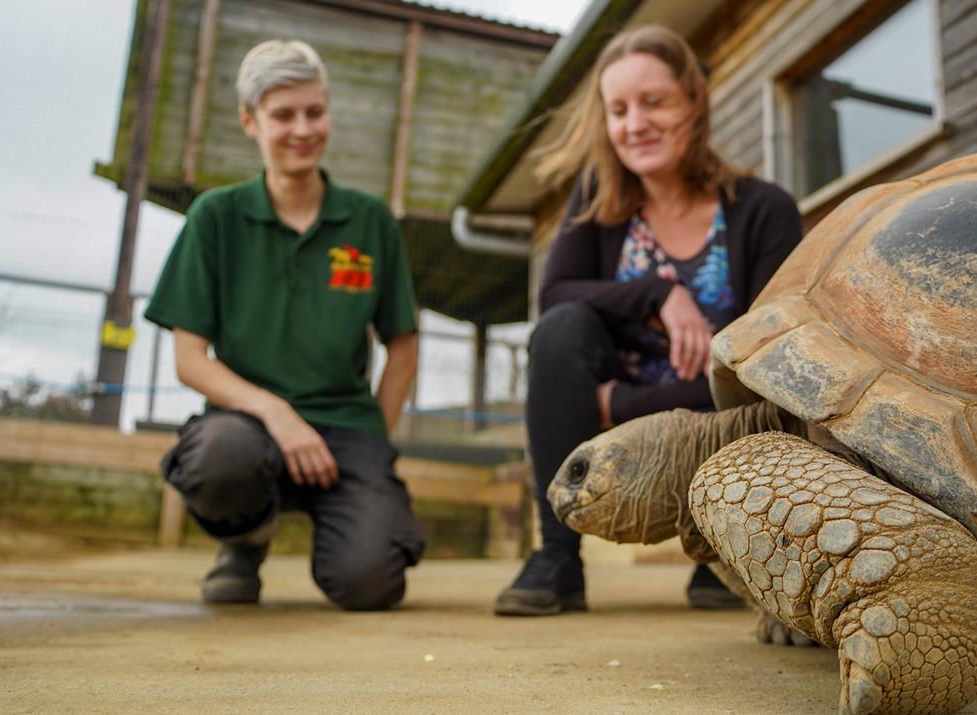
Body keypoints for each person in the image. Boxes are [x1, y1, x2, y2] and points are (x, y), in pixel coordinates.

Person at [492, 25, 803, 616]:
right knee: (560, 332)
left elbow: (770, 368)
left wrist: (618, 405)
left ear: (694, 102)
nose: (635, 123)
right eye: (619, 109)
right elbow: (554, 295)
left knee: (762, 378)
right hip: (612, 434)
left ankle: (729, 544)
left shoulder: (764, 211)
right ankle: (557, 557)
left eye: (654, 102)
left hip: (718, 424)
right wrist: (657, 293)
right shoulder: (595, 200)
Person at [145, 40, 424, 610]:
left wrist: (377, 437)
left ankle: (357, 517)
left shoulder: (370, 221)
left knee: (370, 585)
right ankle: (246, 541)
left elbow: (402, 343)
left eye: (314, 112)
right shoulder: (215, 217)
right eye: (283, 115)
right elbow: (190, 359)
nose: (303, 128)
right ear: (250, 121)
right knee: (220, 459)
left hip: (346, 428)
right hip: (248, 426)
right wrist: (276, 412)